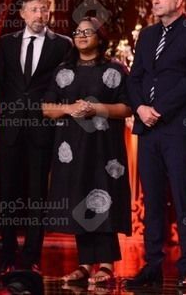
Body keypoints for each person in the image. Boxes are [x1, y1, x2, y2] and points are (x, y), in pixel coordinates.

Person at [124, 0, 186, 289]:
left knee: (184, 199)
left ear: (179, 0)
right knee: (153, 199)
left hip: (177, 129)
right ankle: (152, 265)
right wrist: (140, 108)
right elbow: (134, 78)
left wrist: (157, 109)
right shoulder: (147, 35)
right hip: (148, 129)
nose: (155, 1)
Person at [42, 17, 132, 285]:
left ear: (100, 38)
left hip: (104, 148)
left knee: (103, 197)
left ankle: (105, 265)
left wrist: (96, 109)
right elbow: (46, 108)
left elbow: (127, 108)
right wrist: (69, 109)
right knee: (79, 197)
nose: (81, 36)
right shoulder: (63, 70)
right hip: (72, 147)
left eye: (87, 32)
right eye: (77, 32)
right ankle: (84, 265)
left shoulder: (115, 69)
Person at [0, 0, 72, 272]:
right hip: (12, 128)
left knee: (37, 193)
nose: (40, 15)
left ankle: (31, 257)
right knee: (8, 192)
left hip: (42, 128)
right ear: (23, 13)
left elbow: (64, 84)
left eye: (44, 10)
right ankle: (7, 254)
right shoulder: (6, 43)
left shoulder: (62, 45)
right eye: (34, 10)